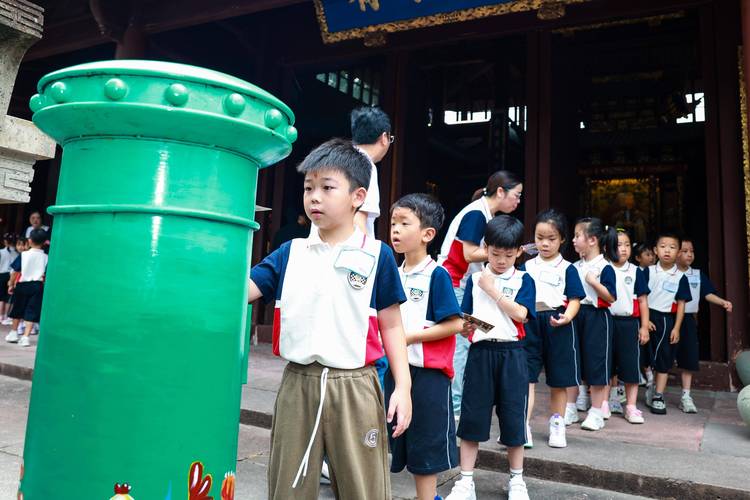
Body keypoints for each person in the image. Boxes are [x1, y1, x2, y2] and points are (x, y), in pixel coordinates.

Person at [246, 139, 412, 500]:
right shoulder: (291, 252)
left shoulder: (377, 254)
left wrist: (403, 387)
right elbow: (244, 290)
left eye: (327, 187)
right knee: (287, 488)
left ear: (358, 197)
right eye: (308, 188)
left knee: (363, 489)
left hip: (356, 385)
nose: (314, 197)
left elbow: (392, 325)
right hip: (298, 384)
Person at [445, 215, 535, 500]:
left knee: (513, 418)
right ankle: (466, 480)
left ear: (519, 252)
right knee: (472, 417)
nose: (501, 260)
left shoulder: (524, 279)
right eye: (495, 254)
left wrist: (493, 291)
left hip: (512, 353)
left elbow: (522, 314)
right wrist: (466, 326)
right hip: (481, 352)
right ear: (486, 248)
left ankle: (517, 480)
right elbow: (464, 321)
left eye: (508, 255)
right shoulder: (474, 279)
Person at [387, 193, 463, 500]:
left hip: (429, 375)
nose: (395, 229)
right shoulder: (390, 271)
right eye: (393, 222)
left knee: (425, 448)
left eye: (405, 223)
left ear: (427, 234)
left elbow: (455, 323)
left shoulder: (437, 275)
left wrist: (408, 337)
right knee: (388, 437)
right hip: (393, 369)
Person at [438, 170, 523, 417]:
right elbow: (468, 255)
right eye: (516, 195)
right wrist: (506, 251)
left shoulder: (481, 212)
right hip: (457, 285)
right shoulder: (477, 214)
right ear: (500, 192)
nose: (518, 201)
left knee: (468, 339)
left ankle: (456, 404)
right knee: (462, 344)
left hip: (460, 286)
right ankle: (455, 408)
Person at [521, 209, 584, 448]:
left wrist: (567, 317)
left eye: (551, 239)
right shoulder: (526, 267)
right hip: (531, 322)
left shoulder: (568, 268)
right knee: (526, 377)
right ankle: (522, 426)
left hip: (558, 323)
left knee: (559, 379)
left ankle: (557, 425)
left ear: (562, 240)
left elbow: (576, 299)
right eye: (539, 238)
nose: (545, 244)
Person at [571, 218, 618, 431]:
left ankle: (596, 412)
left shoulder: (604, 267)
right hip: (575, 314)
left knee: (597, 364)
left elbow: (611, 297)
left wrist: (593, 282)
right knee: (572, 362)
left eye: (577, 236)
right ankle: (570, 407)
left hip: (597, 317)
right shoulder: (573, 266)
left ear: (592, 240)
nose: (573, 240)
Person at [675, 238, 732, 413]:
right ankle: (655, 390)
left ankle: (686, 396)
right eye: (684, 251)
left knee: (689, 357)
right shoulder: (664, 273)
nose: (689, 254)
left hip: (688, 320)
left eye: (691, 251)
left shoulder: (697, 275)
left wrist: (722, 302)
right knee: (662, 356)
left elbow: (707, 293)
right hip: (667, 318)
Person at [643, 232, 691, 415]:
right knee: (645, 356)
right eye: (663, 247)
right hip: (647, 316)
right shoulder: (647, 272)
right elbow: (641, 298)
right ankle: (649, 384)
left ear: (678, 252)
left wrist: (676, 328)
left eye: (672, 247)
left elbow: (681, 304)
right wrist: (645, 321)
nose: (667, 251)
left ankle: (658, 395)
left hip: (666, 319)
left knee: (664, 358)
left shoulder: (680, 277)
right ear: (655, 250)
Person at [608, 229, 650, 424]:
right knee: (608, 363)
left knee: (631, 365)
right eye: (618, 245)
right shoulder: (604, 268)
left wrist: (643, 326)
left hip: (629, 323)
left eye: (626, 244)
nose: (623, 249)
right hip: (607, 321)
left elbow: (642, 300)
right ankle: (610, 400)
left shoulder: (635, 271)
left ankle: (631, 406)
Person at [350, 105, 393, 237]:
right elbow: (358, 219)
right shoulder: (366, 166)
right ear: (384, 138)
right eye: (391, 139)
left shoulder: (335, 158)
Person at [4, 229, 47, 347]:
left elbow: (16, 271)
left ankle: (13, 333)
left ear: (30, 241)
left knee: (18, 308)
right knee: (31, 310)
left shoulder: (24, 255)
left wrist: (11, 283)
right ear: (44, 242)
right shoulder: (46, 257)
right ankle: (26, 337)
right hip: (37, 286)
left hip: (22, 285)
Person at [0, 233, 18, 325]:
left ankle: (0, 316)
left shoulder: (1, 252)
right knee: (8, 298)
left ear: (5, 241)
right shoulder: (17, 253)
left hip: (1, 274)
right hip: (11, 276)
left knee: (1, 297)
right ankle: (6, 317)